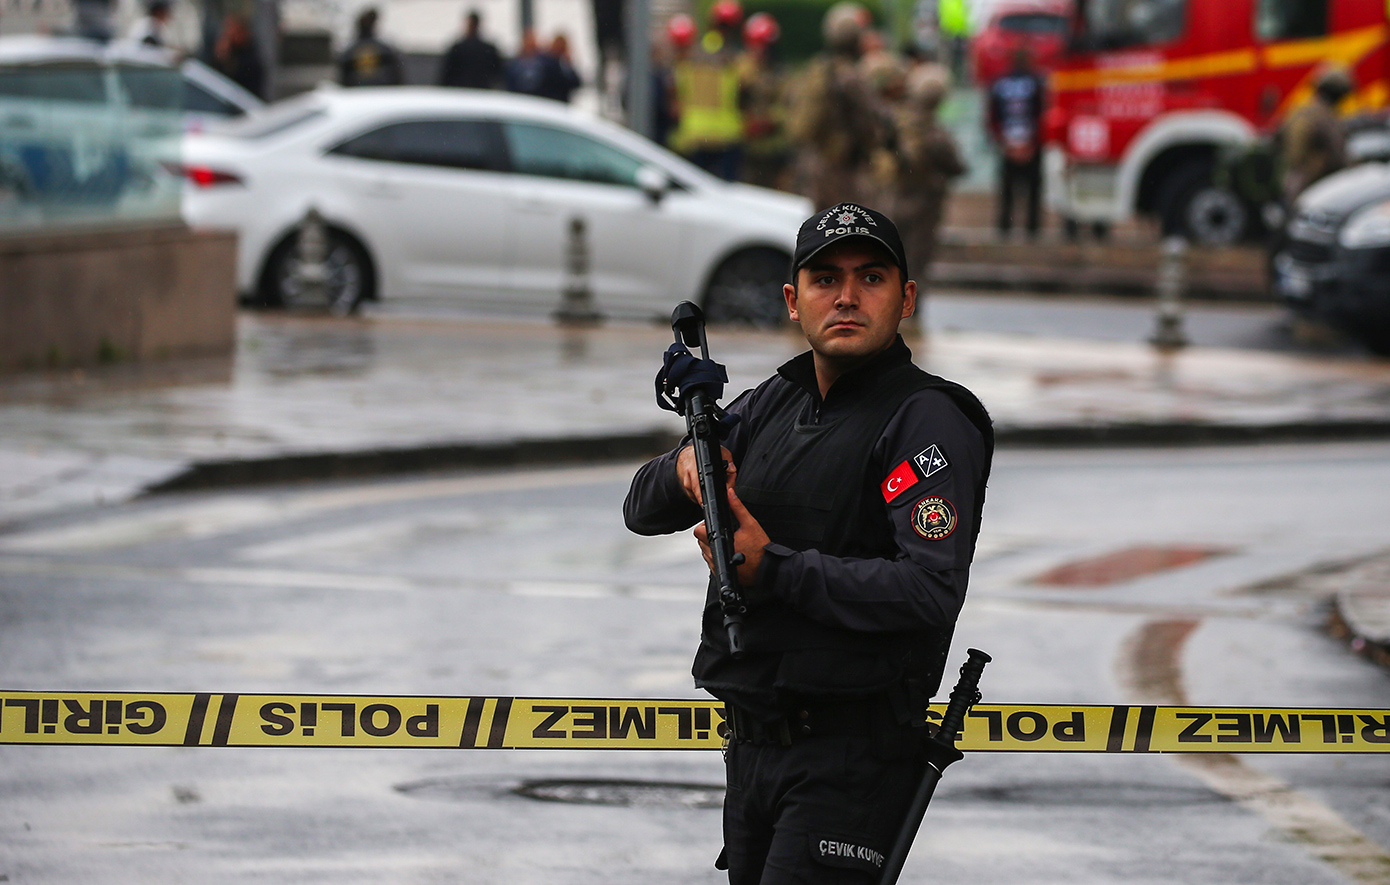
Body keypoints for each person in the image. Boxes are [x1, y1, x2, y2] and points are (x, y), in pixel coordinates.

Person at [624, 201, 994, 885]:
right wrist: (683, 467)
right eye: (825, 279)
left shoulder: (924, 419)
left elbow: (929, 587)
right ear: (793, 301)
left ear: (905, 297)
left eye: (871, 278)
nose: (847, 296)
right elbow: (640, 510)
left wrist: (776, 567)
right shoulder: (773, 402)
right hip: (754, 748)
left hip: (851, 759)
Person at [785, 2, 884, 209]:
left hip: (814, 163)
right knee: (848, 225)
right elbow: (873, 117)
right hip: (843, 168)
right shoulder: (851, 76)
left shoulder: (816, 68)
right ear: (856, 37)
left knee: (821, 226)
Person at [889, 64, 966, 282]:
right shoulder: (936, 134)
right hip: (924, 205)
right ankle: (910, 311)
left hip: (892, 201)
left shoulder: (897, 122)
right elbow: (956, 166)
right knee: (915, 263)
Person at [669, 0, 747, 181]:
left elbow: (676, 86)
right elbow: (746, 83)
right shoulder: (733, 57)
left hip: (694, 134)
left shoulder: (694, 54)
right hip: (726, 136)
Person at [988, 47, 1046, 238]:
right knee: (1032, 189)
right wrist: (1035, 141)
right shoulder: (1037, 82)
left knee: (1008, 190)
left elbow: (993, 114)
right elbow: (1042, 113)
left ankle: (1005, 226)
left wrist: (1001, 141)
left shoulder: (1000, 82)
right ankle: (1032, 228)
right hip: (1030, 142)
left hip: (1009, 142)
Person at [1279, 65, 1354, 205]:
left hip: (1292, 185)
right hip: (1316, 187)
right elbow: (1338, 156)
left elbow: (1278, 140)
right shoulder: (1327, 119)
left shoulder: (1299, 112)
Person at [736, 12, 788, 189]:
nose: (762, 51)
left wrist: (770, 121)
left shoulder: (779, 73)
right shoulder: (739, 69)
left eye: (766, 46)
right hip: (745, 150)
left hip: (773, 152)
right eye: (758, 45)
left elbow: (787, 106)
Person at [338, 8, 404, 87]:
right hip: (382, 91)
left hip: (357, 93)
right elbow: (397, 75)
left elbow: (343, 77)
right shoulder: (385, 50)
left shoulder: (349, 53)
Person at [438, 10, 502, 89]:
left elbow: (446, 75)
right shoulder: (488, 49)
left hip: (462, 91)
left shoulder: (458, 48)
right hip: (481, 91)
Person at [211, 12, 264, 99]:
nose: (228, 34)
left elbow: (236, 75)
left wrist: (225, 57)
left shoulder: (250, 56)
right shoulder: (231, 51)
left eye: (232, 29)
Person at [538, 33, 582, 103]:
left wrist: (568, 64)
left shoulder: (562, 64)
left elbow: (576, 82)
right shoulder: (546, 62)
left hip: (560, 103)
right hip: (548, 102)